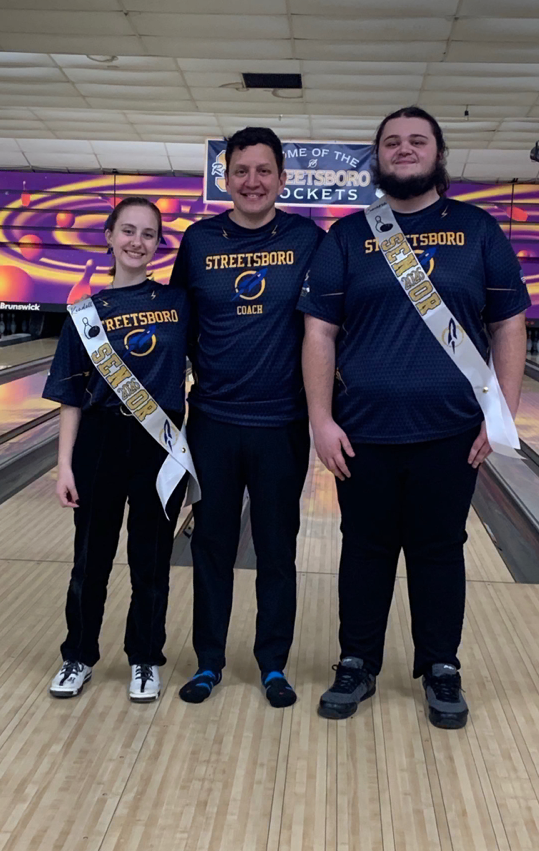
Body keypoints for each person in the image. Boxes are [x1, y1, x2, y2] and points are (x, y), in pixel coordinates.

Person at [299, 106, 529, 728]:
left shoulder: (479, 230)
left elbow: (509, 324)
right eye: (392, 142)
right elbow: (319, 331)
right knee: (364, 550)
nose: (404, 149)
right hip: (363, 432)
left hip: (451, 432)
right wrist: (321, 418)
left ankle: (441, 666)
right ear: (378, 157)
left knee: (439, 550)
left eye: (417, 140)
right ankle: (356, 662)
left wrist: (499, 414)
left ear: (438, 154)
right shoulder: (348, 236)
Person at [170, 127, 324, 707]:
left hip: (282, 424)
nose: (252, 181)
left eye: (264, 171)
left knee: (277, 548)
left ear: (282, 179)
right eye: (241, 171)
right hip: (212, 421)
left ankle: (273, 663)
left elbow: (329, 326)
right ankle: (209, 660)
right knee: (210, 545)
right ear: (225, 178)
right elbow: (178, 325)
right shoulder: (199, 239)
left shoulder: (309, 239)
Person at [43, 197, 190, 703]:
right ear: (108, 236)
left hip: (160, 442)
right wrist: (63, 465)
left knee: (152, 559)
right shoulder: (83, 314)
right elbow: (69, 398)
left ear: (157, 245)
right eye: (127, 231)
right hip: (99, 441)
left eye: (148, 234)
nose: (136, 242)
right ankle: (79, 655)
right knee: (91, 559)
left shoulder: (178, 303)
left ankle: (146, 658)